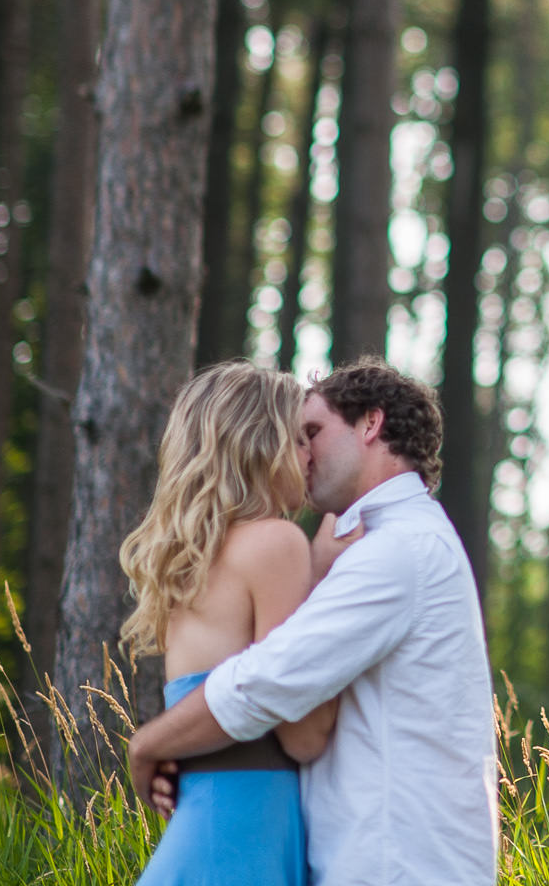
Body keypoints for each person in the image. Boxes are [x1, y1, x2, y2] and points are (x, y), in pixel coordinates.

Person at [127, 363, 498, 886]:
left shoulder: (396, 548)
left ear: (370, 425)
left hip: (395, 865)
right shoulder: (315, 546)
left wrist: (154, 743)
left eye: (314, 432)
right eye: (297, 436)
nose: (306, 453)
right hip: (278, 840)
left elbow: (268, 680)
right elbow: (297, 721)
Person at [122, 362, 332, 886]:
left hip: (208, 820)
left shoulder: (188, 560)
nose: (313, 454)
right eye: (302, 438)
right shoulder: (277, 543)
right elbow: (303, 732)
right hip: (247, 826)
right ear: (263, 443)